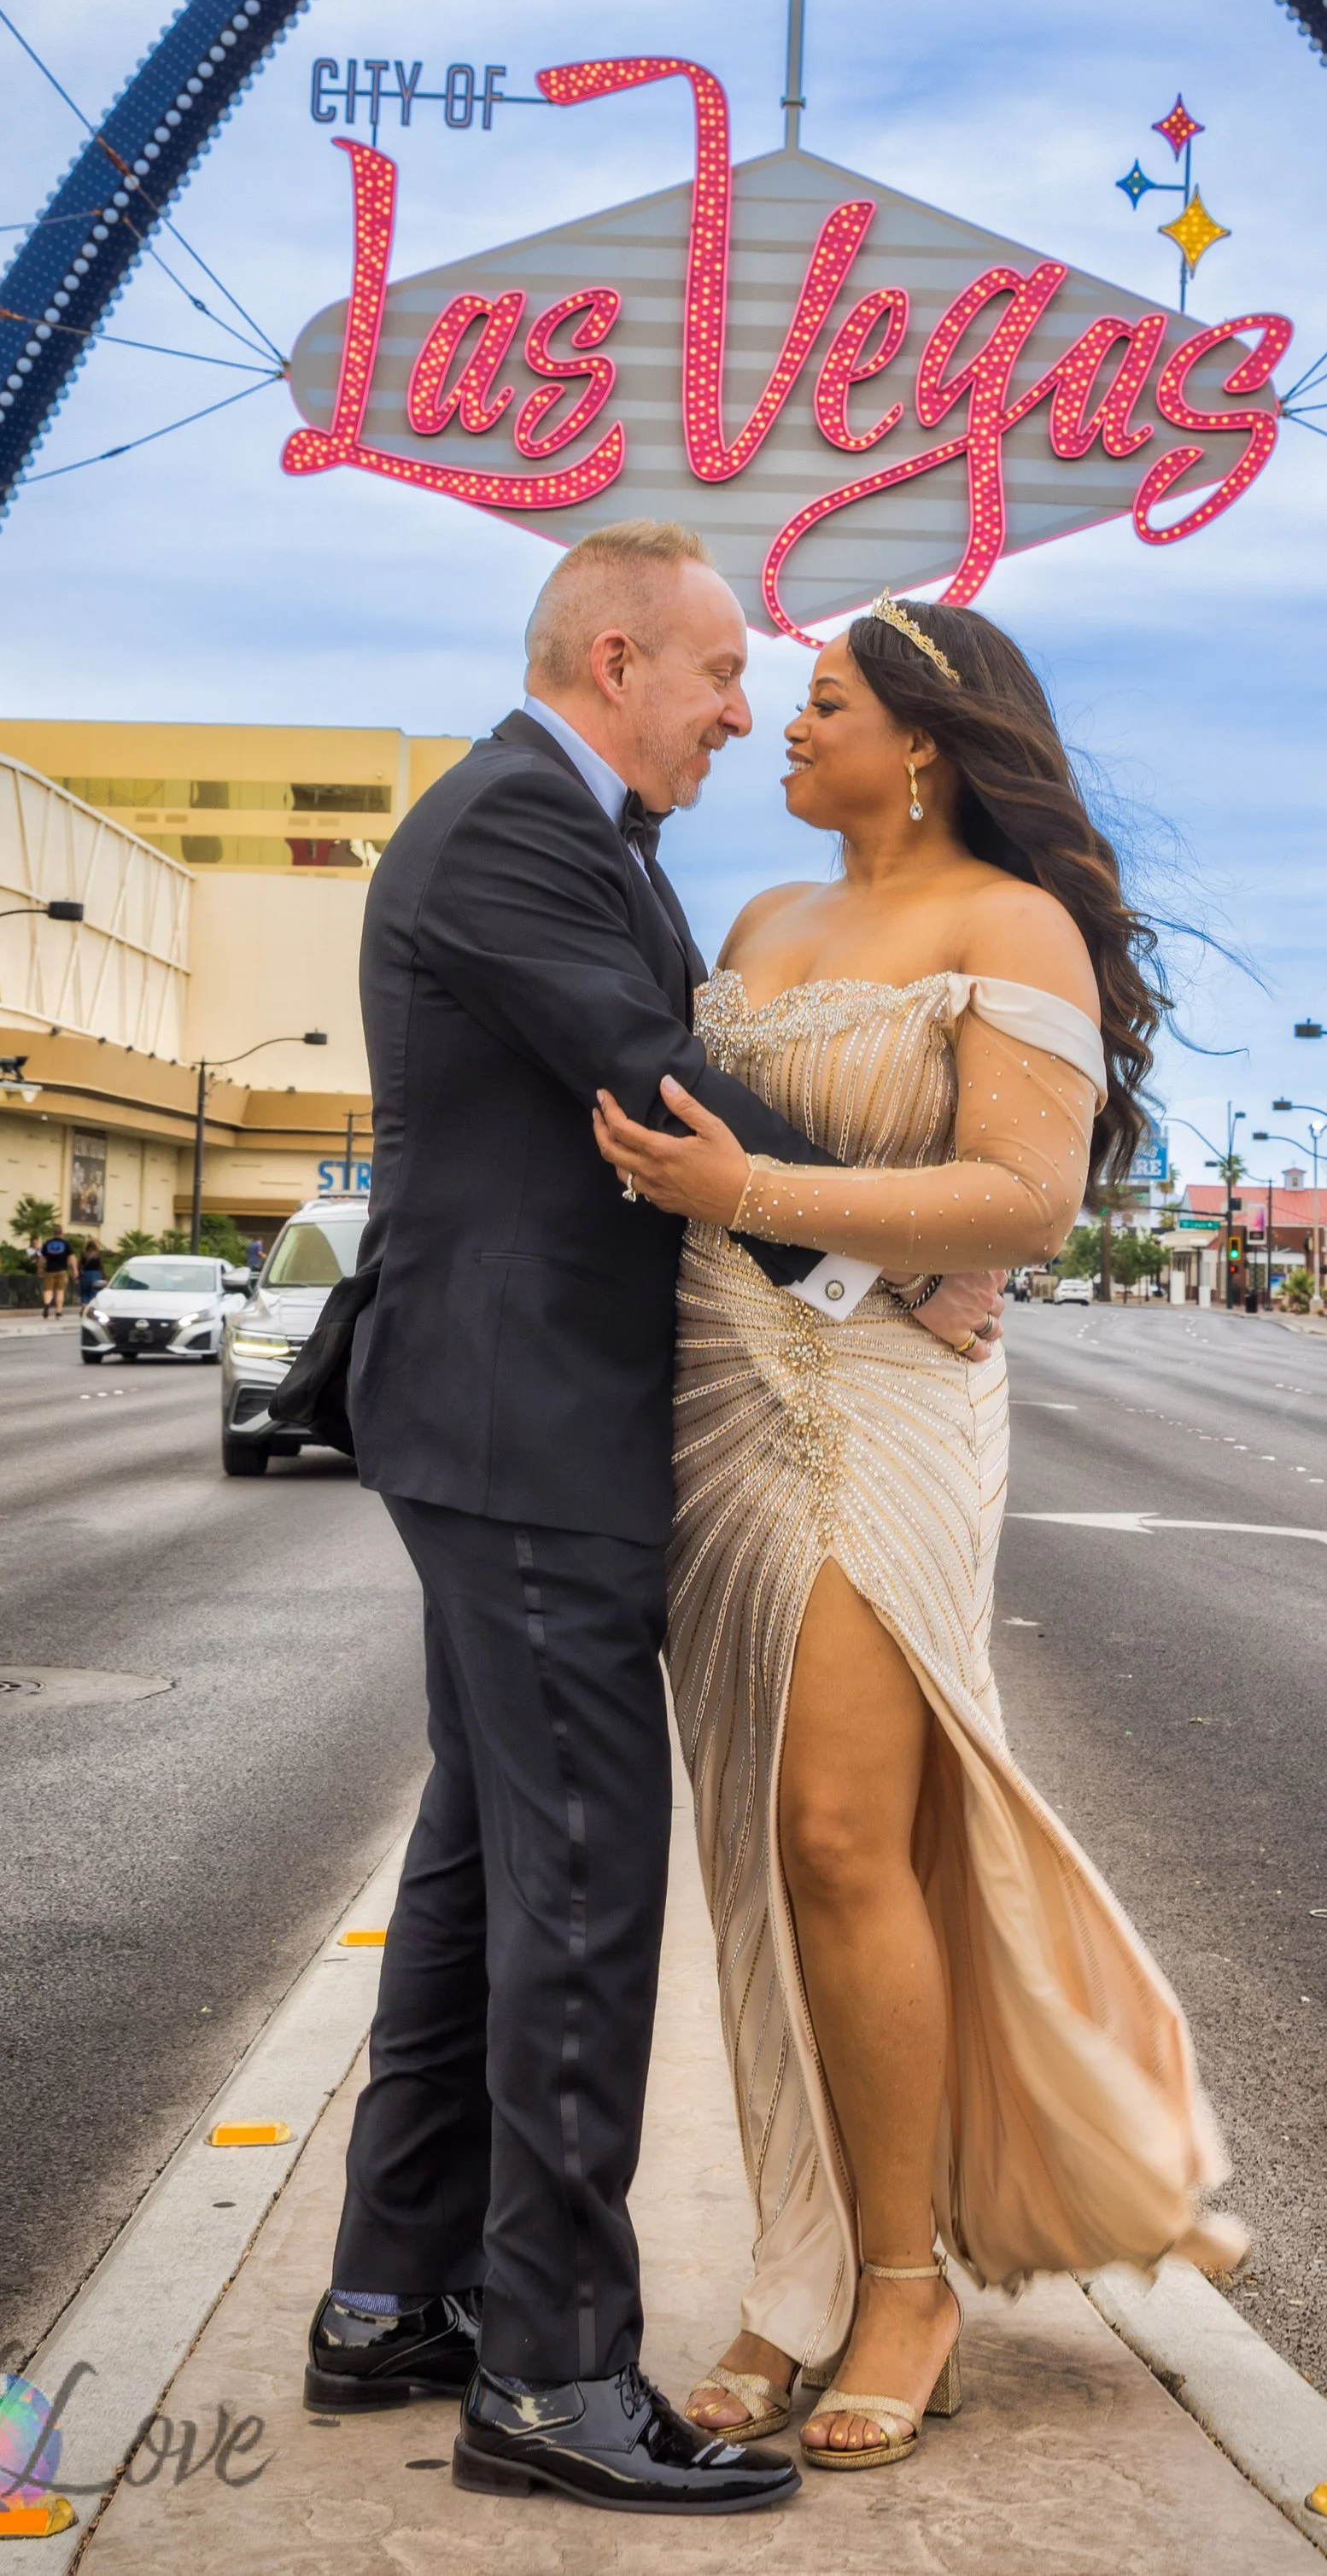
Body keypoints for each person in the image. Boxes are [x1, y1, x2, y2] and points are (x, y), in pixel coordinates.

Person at [305, 523, 997, 2515]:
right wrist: (901, 1263)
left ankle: (388, 2294)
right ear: (614, 652)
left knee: (475, 1868)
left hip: (503, 1416)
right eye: (715, 675)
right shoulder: (520, 822)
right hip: (530, 1426)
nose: (740, 711)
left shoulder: (559, 818)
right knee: (588, 1886)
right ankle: (551, 2370)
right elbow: (658, 1085)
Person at [593, 597, 1246, 2480]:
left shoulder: (1005, 921)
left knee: (839, 1837)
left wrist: (754, 1187)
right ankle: (798, 2271)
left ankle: (902, 2282)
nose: (779, 732)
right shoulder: (757, 925)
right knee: (758, 1856)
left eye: (816, 707)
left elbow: (1023, 1201)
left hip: (882, 1407)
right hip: (715, 1409)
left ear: (926, 742)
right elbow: (704, 1170)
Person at [35, 1229, 72, 1317]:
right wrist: (75, 1270)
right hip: (62, 1270)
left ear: (54, 1233)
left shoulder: (47, 1243)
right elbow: (72, 1258)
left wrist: (40, 1269)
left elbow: (42, 1258)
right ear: (61, 1233)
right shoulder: (66, 1244)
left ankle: (47, 1304)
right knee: (60, 1291)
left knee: (48, 1290)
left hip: (49, 1270)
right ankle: (58, 1311)